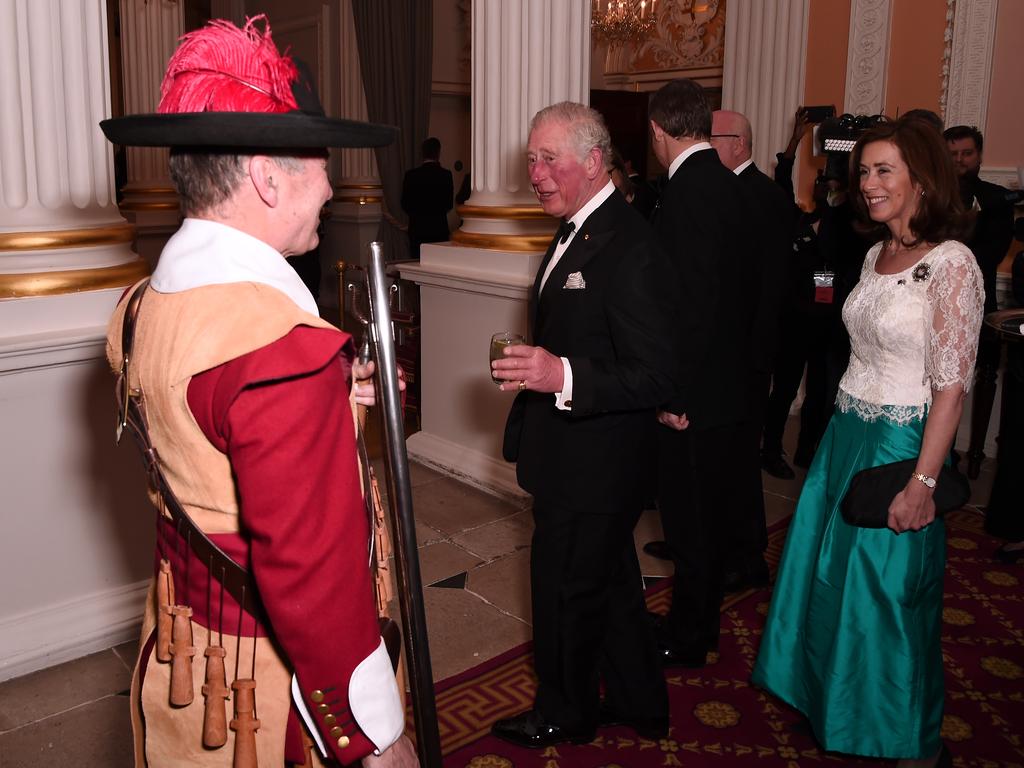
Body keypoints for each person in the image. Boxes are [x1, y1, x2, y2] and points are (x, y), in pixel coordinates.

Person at [100, 17, 417, 768]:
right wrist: (374, 735)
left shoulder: (140, 305)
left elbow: (206, 439)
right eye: (320, 166)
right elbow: (309, 572)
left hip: (181, 656)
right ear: (267, 180)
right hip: (264, 695)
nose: (333, 186)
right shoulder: (280, 349)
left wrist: (332, 402)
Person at [753, 115, 983, 767]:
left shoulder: (953, 263)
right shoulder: (873, 252)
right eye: (864, 172)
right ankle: (835, 702)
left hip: (904, 444)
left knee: (887, 596)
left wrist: (924, 483)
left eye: (885, 171)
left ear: (922, 178)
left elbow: (951, 388)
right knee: (827, 578)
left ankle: (905, 737)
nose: (870, 184)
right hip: (846, 434)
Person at [490, 101, 677, 748]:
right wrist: (543, 369)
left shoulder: (630, 246)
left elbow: (656, 374)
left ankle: (564, 711)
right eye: (531, 159)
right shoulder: (579, 227)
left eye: (549, 159)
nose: (535, 173)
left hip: (597, 464)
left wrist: (560, 375)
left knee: (566, 591)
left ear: (594, 161)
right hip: (573, 453)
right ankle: (641, 701)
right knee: (612, 584)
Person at [646, 79, 757, 667]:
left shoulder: (687, 191)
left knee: (691, 525)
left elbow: (690, 307)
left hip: (694, 394)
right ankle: (701, 626)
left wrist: (672, 393)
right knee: (708, 517)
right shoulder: (732, 185)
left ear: (659, 131)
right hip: (730, 384)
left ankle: (689, 635)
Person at [710, 108, 796, 591]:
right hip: (726, 352)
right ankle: (714, 541)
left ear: (738, 144)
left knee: (739, 458)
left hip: (745, 355)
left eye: (712, 138)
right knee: (720, 457)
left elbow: (770, 290)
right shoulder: (723, 192)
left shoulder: (764, 197)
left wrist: (753, 359)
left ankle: (745, 555)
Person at [943, 125, 1014, 476]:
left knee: (982, 379)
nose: (959, 161)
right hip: (935, 304)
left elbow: (991, 253)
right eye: (952, 154)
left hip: (978, 302)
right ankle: (940, 456)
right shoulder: (932, 196)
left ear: (979, 156)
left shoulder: (997, 200)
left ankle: (972, 457)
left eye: (966, 153)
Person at [401, 137, 454, 258]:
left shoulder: (411, 175)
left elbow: (405, 203)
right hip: (438, 229)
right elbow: (449, 204)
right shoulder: (445, 175)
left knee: (416, 263)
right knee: (438, 263)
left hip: (417, 229)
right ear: (438, 153)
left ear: (423, 153)